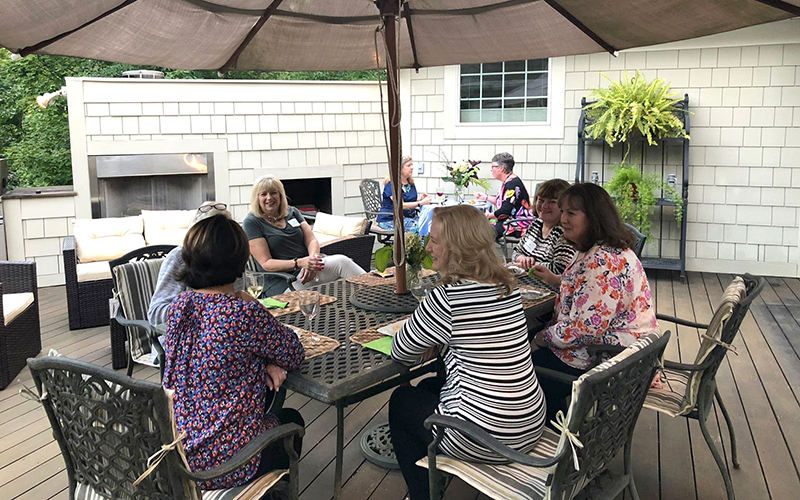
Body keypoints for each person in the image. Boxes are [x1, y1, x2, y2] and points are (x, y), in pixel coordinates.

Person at [390, 205, 547, 500]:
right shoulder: (507, 287)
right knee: (428, 387)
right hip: (530, 420)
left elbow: (401, 351)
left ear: (457, 246)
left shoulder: (446, 297)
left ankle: (423, 495)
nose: (427, 247)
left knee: (402, 400)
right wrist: (440, 339)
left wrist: (433, 339)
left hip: (488, 436)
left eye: (435, 240)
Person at [162, 214, 306, 490]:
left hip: (179, 449)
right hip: (225, 462)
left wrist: (261, 360)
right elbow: (293, 353)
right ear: (240, 264)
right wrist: (267, 350)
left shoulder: (179, 306)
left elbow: (218, 352)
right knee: (291, 421)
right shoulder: (242, 313)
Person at [530, 183, 658, 420]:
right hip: (622, 348)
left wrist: (541, 338)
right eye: (563, 211)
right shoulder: (604, 249)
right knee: (525, 342)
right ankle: (557, 425)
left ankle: (544, 433)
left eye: (571, 213)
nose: (563, 219)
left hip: (607, 359)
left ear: (594, 216)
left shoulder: (601, 263)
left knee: (519, 366)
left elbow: (585, 330)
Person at [243, 175, 365, 296]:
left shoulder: (292, 212)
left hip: (308, 270)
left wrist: (312, 261)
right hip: (284, 281)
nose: (269, 198)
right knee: (341, 263)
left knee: (343, 268)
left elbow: (311, 240)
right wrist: (300, 263)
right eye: (263, 194)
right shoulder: (252, 222)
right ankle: (374, 289)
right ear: (257, 198)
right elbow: (267, 264)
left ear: (280, 195)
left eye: (273, 193)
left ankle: (371, 293)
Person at [148, 201, 245, 326]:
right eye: (209, 234)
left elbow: (236, 303)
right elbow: (155, 314)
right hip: (179, 337)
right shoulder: (179, 257)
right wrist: (203, 307)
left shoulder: (232, 255)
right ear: (195, 235)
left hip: (225, 332)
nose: (215, 241)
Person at [510, 179, 576, 276]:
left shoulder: (564, 232)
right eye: (541, 200)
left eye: (552, 202)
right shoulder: (536, 225)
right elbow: (516, 252)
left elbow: (558, 269)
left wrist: (524, 266)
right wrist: (522, 259)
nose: (544, 206)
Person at [474, 152, 532, 240]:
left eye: (493, 166)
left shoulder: (512, 185)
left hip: (516, 224)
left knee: (479, 235)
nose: (491, 170)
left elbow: (505, 211)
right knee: (476, 230)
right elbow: (503, 202)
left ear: (501, 168)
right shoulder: (508, 181)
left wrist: (489, 215)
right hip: (507, 221)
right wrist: (485, 197)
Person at [376, 156, 431, 232]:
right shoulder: (392, 184)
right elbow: (400, 205)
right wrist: (420, 203)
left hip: (408, 218)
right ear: (400, 168)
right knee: (419, 228)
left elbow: (409, 200)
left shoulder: (410, 183)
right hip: (391, 219)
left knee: (429, 225)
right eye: (408, 165)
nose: (412, 168)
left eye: (412, 165)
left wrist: (421, 199)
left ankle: (421, 244)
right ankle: (415, 244)